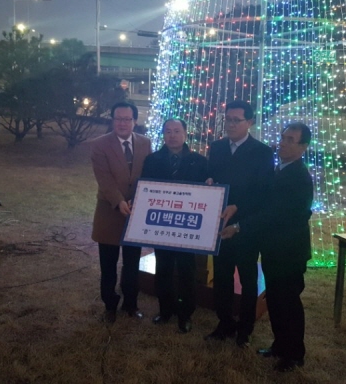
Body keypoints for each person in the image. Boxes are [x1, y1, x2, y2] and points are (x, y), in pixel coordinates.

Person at [221, 122, 313, 372]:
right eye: (283, 137)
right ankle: (280, 346)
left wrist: (239, 226)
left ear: (303, 147)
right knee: (275, 299)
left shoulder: (298, 177)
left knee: (288, 303)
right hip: (273, 250)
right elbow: (261, 202)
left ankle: (294, 355)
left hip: (289, 253)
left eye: (291, 140)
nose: (283, 143)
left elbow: (274, 214)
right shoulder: (279, 169)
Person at [205, 100, 275, 347]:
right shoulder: (217, 147)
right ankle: (224, 322)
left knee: (247, 278)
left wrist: (239, 207)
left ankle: (245, 328)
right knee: (222, 275)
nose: (231, 124)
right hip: (220, 223)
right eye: (228, 119)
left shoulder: (263, 152)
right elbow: (212, 175)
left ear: (250, 122)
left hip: (247, 225)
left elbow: (263, 193)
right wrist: (209, 181)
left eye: (237, 120)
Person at [141, 118, 209, 333]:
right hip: (162, 225)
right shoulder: (152, 160)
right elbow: (145, 190)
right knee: (163, 268)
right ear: (163, 134)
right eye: (168, 131)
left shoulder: (199, 162)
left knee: (187, 270)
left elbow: (206, 193)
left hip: (187, 228)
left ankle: (185, 314)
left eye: (177, 131)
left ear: (185, 134)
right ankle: (165, 310)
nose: (172, 135)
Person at [90, 101, 151, 323]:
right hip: (109, 212)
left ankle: (131, 304)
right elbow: (104, 179)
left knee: (132, 263)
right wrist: (119, 201)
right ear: (112, 120)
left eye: (127, 119)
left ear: (134, 121)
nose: (122, 123)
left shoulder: (145, 143)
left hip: (136, 213)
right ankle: (110, 305)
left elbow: (147, 175)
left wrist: (138, 200)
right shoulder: (99, 144)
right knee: (108, 265)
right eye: (118, 119)